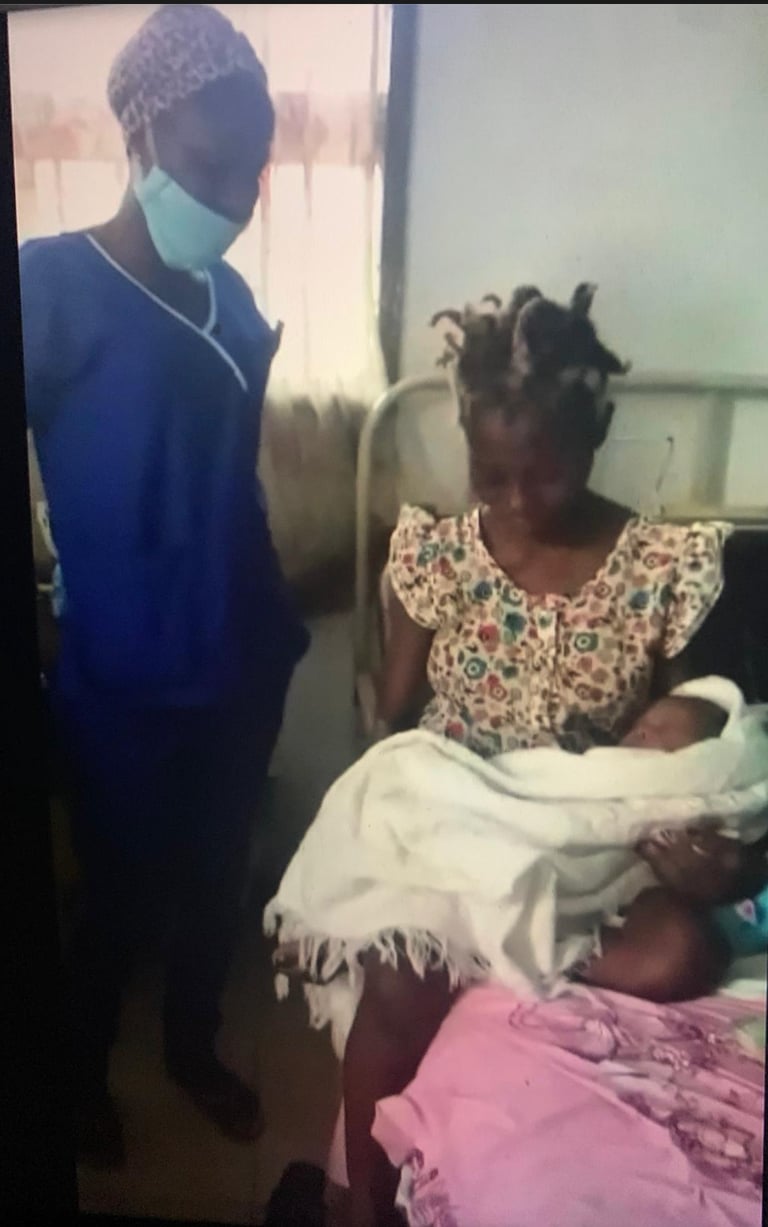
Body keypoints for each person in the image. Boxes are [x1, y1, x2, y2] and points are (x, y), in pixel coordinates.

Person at [341, 283, 746, 1225]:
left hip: (585, 836)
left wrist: (702, 845)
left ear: (595, 436)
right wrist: (380, 836)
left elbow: (692, 735)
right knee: (397, 983)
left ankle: (507, 945)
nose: (518, 502)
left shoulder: (663, 568)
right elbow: (392, 721)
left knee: (683, 950)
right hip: (461, 816)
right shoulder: (439, 556)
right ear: (467, 448)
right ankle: (358, 1204)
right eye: (492, 477)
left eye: (546, 475)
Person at [20, 5, 308, 1168]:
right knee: (117, 899)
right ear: (137, 138)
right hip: (122, 680)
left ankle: (193, 1049)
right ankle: (80, 1073)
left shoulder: (227, 297)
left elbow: (229, 476)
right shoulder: (48, 287)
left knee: (214, 884)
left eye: (252, 171)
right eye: (208, 163)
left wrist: (272, 631)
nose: (234, 196)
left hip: (240, 658)